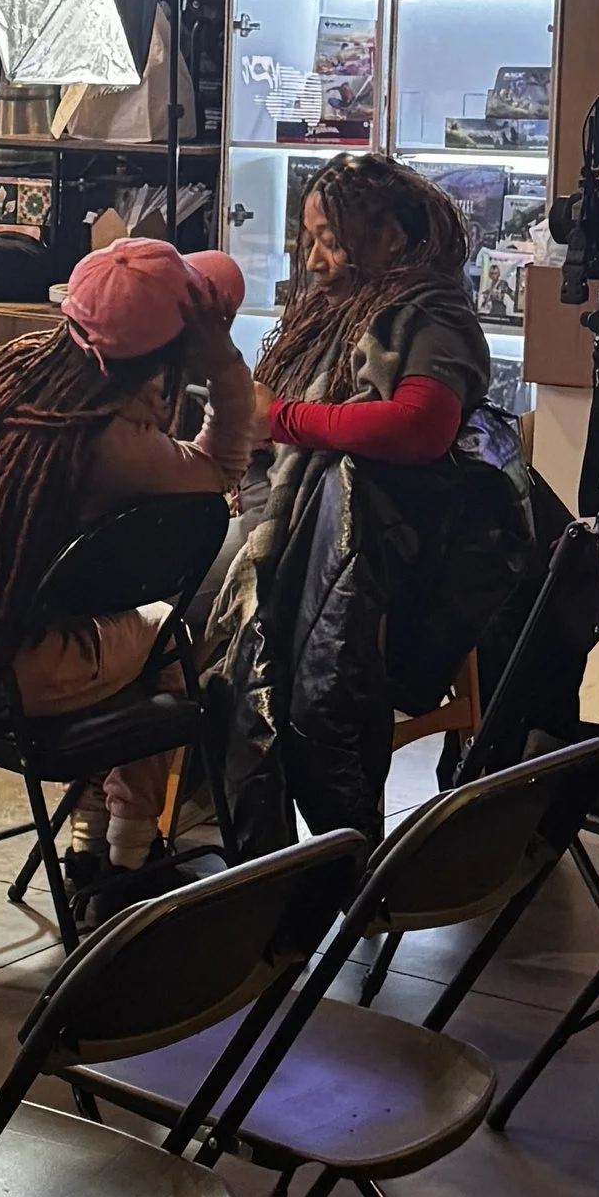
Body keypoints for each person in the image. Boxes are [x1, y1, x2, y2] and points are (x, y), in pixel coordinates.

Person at [0, 236, 253, 914]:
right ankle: (127, 857)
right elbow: (222, 467)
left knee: (112, 632)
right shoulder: (117, 444)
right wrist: (222, 362)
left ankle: (84, 840)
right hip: (5, 674)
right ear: (166, 352)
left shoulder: (12, 374)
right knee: (166, 641)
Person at [210, 155, 496, 848]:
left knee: (178, 611)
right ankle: (143, 821)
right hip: (297, 525)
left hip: (377, 554)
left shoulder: (431, 314)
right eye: (308, 240)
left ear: (391, 239)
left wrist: (281, 420)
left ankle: (156, 830)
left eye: (330, 241)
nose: (312, 261)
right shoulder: (334, 311)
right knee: (166, 598)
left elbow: (419, 426)